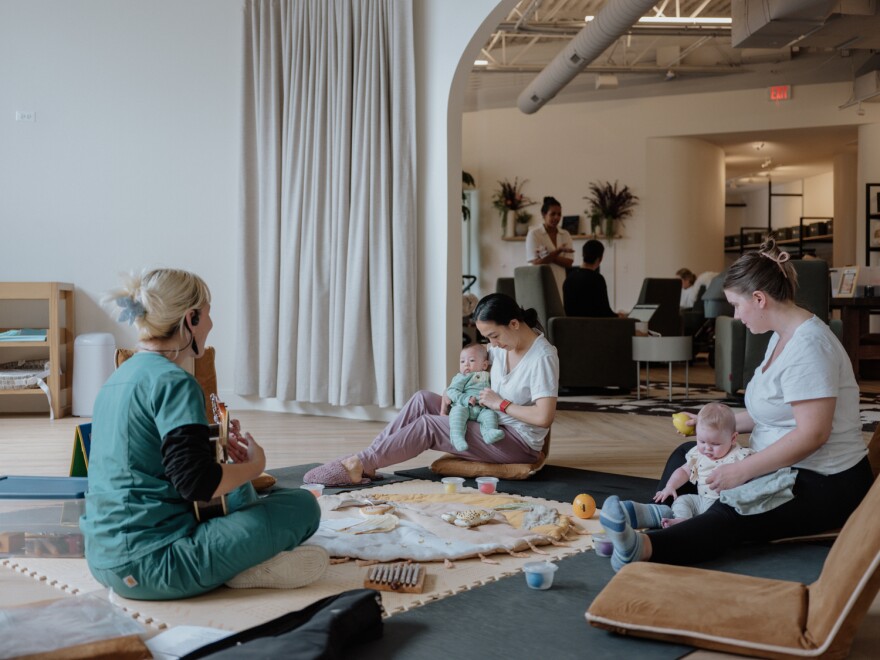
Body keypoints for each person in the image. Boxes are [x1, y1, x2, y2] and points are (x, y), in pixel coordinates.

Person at [600, 237, 873, 572]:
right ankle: (667, 516)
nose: (735, 315)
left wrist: (743, 470)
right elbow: (770, 414)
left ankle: (644, 547)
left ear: (759, 299)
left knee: (733, 504)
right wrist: (710, 425)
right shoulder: (781, 336)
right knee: (690, 453)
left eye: (736, 305)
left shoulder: (810, 347)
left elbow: (812, 435)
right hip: (784, 466)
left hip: (824, 482)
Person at [80, 268, 327, 600]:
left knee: (240, 494)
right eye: (208, 314)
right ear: (191, 318)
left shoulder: (117, 379)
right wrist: (255, 465)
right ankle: (245, 568)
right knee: (302, 505)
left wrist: (219, 451)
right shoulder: (175, 381)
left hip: (101, 560)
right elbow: (197, 484)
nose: (211, 324)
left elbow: (154, 463)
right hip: (152, 565)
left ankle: (239, 560)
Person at [304, 293, 559, 486]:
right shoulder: (503, 347)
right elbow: (475, 366)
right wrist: (452, 390)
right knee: (423, 399)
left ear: (514, 324)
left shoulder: (542, 357)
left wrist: (500, 403)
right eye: (487, 338)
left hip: (516, 441)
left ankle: (358, 463)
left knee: (429, 425)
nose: (492, 344)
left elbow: (544, 417)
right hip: (487, 419)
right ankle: (367, 462)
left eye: (494, 336)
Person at [618, 403, 752, 530]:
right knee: (683, 500)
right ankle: (680, 519)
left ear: (733, 439)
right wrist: (670, 487)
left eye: (715, 444)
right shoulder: (699, 454)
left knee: (718, 518)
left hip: (723, 504)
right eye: (702, 441)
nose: (707, 448)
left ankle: (689, 526)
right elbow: (683, 471)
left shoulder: (739, 456)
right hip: (701, 500)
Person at [446, 343, 504, 451]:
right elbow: (451, 390)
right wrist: (465, 399)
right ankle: (457, 437)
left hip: (482, 408)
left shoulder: (488, 376)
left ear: (484, 365)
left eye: (471, 360)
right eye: (462, 361)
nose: (466, 365)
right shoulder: (461, 377)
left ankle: (489, 433)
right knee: (457, 413)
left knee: (491, 415)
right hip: (464, 406)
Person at [525, 196, 575, 299]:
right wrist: (558, 251)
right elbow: (536, 263)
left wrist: (547, 255)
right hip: (539, 284)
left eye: (559, 214)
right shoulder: (534, 234)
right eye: (553, 214)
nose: (556, 217)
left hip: (560, 284)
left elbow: (569, 263)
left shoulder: (565, 234)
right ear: (544, 214)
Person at [563, 239, 625, 318]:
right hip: (593, 325)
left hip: (571, 325)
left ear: (583, 255)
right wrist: (619, 316)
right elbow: (605, 313)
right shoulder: (598, 279)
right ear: (600, 258)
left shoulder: (569, 278)